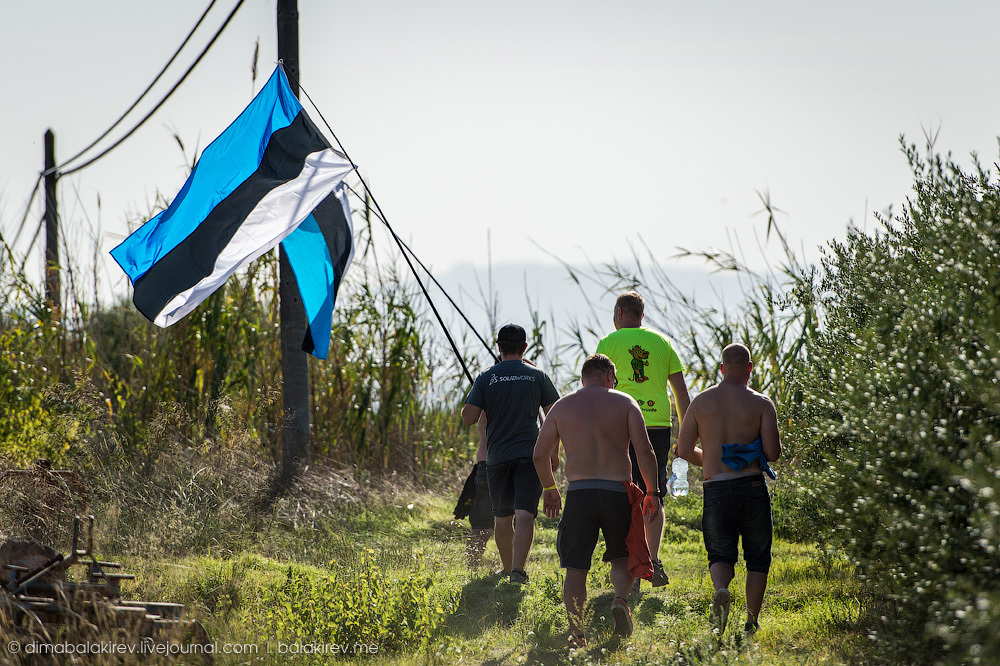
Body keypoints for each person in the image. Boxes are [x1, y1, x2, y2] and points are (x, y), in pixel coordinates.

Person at [533, 354, 662, 646]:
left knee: (576, 567)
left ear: (582, 378)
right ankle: (619, 600)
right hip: (618, 491)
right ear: (608, 376)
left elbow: (540, 454)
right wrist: (653, 492)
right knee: (622, 555)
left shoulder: (562, 406)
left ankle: (577, 634)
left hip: (580, 493)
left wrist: (549, 488)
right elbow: (646, 452)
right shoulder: (625, 403)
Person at [676, 343, 781, 635]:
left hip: (716, 489)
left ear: (721, 369)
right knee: (758, 557)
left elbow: (683, 449)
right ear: (749, 368)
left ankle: (721, 588)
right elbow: (772, 453)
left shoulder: (701, 402)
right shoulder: (762, 403)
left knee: (720, 555)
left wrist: (711, 459)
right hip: (751, 486)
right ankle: (751, 621)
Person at [595, 290, 691, 587]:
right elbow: (681, 394)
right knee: (653, 491)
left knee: (623, 492)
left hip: (619, 425)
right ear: (642, 315)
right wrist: (686, 438)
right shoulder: (663, 343)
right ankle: (652, 559)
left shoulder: (607, 344)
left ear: (619, 313)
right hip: (657, 426)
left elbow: (596, 391)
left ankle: (630, 562)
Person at [461, 323, 560, 584]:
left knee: (502, 516)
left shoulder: (487, 377)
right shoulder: (538, 376)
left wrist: (477, 396)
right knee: (526, 512)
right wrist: (553, 452)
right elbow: (555, 415)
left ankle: (506, 569)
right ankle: (518, 570)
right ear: (524, 347)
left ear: (499, 347)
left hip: (498, 458)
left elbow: (468, 417)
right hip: (531, 456)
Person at [453, 414, 494, 567]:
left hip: (489, 461)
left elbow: (468, 415)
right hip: (517, 461)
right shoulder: (529, 390)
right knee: (517, 517)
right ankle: (514, 569)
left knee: (482, 523)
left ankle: (472, 567)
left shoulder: (488, 389)